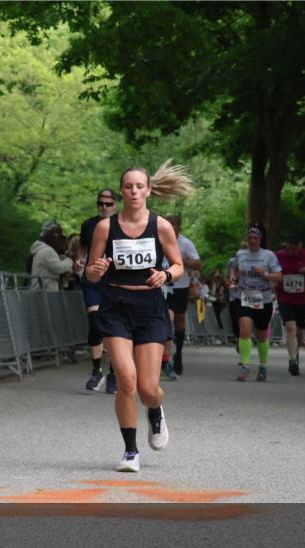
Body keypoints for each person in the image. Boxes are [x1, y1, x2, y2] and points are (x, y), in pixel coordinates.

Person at [84, 162, 190, 473]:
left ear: (148, 190)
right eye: (128, 186)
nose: (134, 191)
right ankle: (130, 451)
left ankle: (155, 410)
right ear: (121, 191)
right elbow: (90, 272)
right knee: (126, 380)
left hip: (150, 307)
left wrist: (167, 274)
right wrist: (96, 270)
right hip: (115, 304)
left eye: (139, 186)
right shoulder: (105, 228)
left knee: (148, 388)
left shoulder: (161, 226)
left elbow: (179, 265)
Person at [77, 188, 119, 394]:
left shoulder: (122, 224)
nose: (104, 207)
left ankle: (113, 374)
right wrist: (79, 258)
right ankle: (96, 371)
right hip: (92, 278)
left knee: (111, 327)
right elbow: (82, 246)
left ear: (116, 205)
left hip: (113, 282)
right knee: (95, 323)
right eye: (100, 203)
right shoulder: (89, 224)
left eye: (108, 204)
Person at [233, 226, 282, 381]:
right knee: (244, 326)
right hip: (245, 296)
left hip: (264, 298)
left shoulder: (268, 255)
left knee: (261, 335)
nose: (252, 241)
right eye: (250, 238)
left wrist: (265, 274)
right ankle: (245, 366)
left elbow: (279, 277)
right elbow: (234, 270)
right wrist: (235, 277)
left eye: (256, 238)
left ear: (260, 240)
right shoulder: (240, 254)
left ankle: (263, 366)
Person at [275, 232, 305, 375]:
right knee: (290, 328)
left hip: (304, 299)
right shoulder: (279, 255)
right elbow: (270, 269)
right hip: (285, 298)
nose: (293, 248)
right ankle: (292, 361)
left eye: (296, 245)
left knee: (299, 332)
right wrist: (273, 280)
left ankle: (295, 354)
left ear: (300, 245)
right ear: (287, 245)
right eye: (291, 245)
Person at [160, 214, 201, 378]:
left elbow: (198, 264)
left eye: (172, 225)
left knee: (179, 319)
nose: (169, 228)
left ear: (179, 227)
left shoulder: (185, 244)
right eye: (167, 224)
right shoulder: (157, 240)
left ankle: (179, 352)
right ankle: (164, 360)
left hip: (180, 286)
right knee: (167, 319)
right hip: (163, 286)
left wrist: (182, 261)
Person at [30, 225, 73, 291]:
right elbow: (58, 268)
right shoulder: (47, 251)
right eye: (61, 239)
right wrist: (69, 260)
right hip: (44, 294)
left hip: (43, 292)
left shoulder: (43, 250)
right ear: (55, 238)